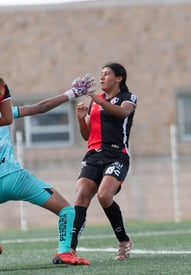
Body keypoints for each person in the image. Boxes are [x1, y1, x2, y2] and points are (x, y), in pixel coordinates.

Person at [0, 75, 95, 265]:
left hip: (14, 178)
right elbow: (41, 107)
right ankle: (64, 252)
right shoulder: (6, 111)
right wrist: (72, 94)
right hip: (14, 179)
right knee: (67, 210)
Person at [70, 63, 137, 261]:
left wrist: (95, 100)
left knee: (104, 196)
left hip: (116, 155)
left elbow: (123, 113)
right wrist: (81, 119)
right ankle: (70, 249)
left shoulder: (128, 98)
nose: (101, 78)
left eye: (106, 74)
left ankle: (123, 240)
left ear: (119, 78)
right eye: (101, 74)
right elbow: (86, 135)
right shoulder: (96, 101)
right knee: (81, 196)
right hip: (93, 155)